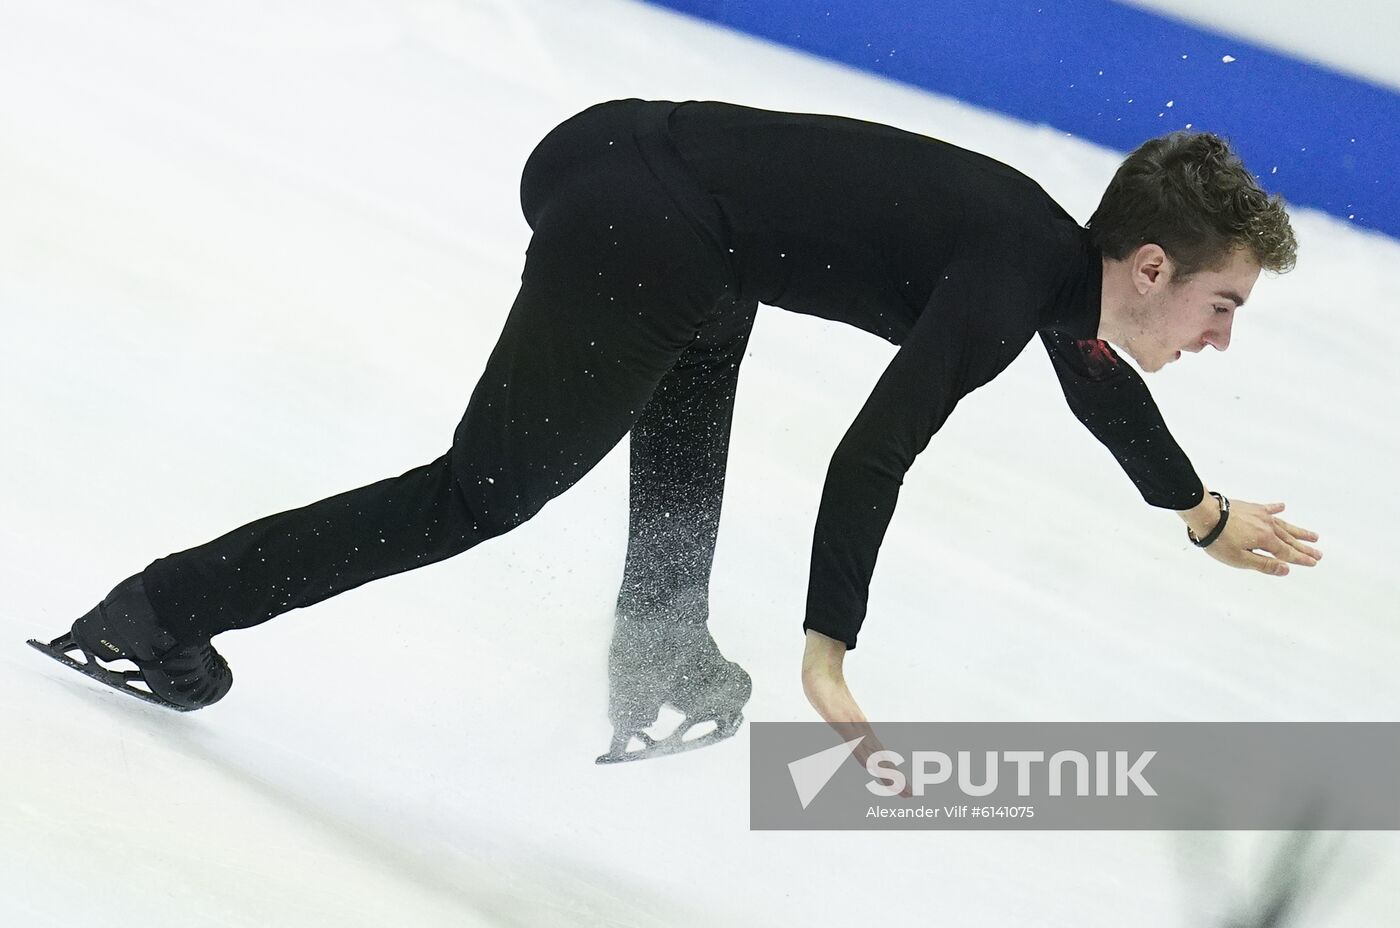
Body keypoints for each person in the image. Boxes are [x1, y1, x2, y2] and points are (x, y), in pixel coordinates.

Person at [30, 98, 1322, 762]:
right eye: (1221, 306)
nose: (1220, 339)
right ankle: (159, 611)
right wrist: (829, 653)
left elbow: (1097, 381)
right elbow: (872, 453)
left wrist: (1200, 511)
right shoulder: (1010, 281)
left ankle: (657, 650)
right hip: (640, 211)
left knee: (710, 336)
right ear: (1149, 266)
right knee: (480, 493)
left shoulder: (1049, 264)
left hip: (652, 181)